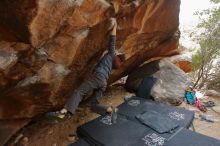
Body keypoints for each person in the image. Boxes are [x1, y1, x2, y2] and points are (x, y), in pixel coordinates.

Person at [57, 19, 125, 118]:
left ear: (118, 55)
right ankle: (111, 110)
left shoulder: (112, 54)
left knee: (79, 92)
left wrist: (115, 25)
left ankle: (63, 112)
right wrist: (102, 56)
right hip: (103, 83)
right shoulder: (112, 62)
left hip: (98, 77)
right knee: (94, 106)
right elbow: (100, 64)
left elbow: (112, 39)